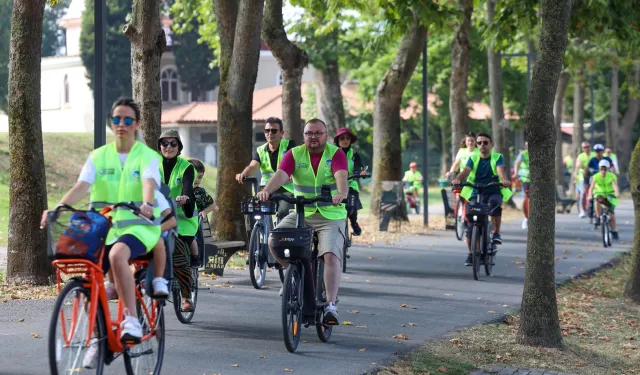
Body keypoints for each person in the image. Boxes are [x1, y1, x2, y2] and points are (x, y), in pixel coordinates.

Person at [40, 97, 165, 344]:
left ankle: (131, 320)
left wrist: (148, 205)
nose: (121, 123)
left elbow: (148, 182)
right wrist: (56, 209)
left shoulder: (147, 156)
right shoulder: (98, 156)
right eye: (116, 118)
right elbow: (82, 186)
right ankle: (98, 339)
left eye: (127, 119)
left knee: (117, 256)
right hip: (104, 228)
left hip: (139, 226)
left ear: (137, 124)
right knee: (87, 284)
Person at [257, 118, 348, 325]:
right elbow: (281, 174)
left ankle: (331, 306)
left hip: (330, 214)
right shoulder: (294, 154)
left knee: (330, 255)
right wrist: (266, 191)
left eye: (318, 133)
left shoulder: (336, 153)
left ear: (325, 135)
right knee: (274, 240)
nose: (313, 137)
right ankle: (294, 275)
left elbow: (341, 176)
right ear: (304, 136)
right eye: (309, 133)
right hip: (301, 213)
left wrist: (341, 193)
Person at [452, 133, 512, 266]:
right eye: (479, 143)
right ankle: (471, 254)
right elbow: (466, 170)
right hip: (476, 191)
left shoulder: (497, 157)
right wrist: (458, 179)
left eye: (485, 142)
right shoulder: (472, 157)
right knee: (471, 223)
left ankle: (496, 233)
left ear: (491, 144)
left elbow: (500, 170)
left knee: (495, 205)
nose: (482, 145)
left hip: (493, 190)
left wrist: (504, 180)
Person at [157, 129, 198, 312]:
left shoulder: (186, 167)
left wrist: (184, 197)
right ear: (160, 146)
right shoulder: (152, 165)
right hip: (157, 218)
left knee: (179, 250)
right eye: (165, 143)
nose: (169, 147)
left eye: (173, 143)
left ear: (179, 147)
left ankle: (186, 295)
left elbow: (187, 188)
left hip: (183, 220)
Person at [236, 117, 296, 222]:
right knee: (252, 210)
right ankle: (256, 233)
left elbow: (296, 161)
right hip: (265, 190)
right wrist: (243, 174)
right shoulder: (260, 150)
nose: (270, 133)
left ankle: (279, 235)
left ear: (281, 133)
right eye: (267, 131)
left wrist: (292, 170)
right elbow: (253, 166)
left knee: (284, 212)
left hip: (286, 190)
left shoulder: (289, 145)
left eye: (273, 131)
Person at [334, 127, 366, 236]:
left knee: (351, 206)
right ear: (338, 141)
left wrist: (360, 172)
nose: (345, 140)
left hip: (351, 184)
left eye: (348, 138)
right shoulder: (332, 153)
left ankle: (354, 224)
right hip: (334, 186)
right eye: (342, 138)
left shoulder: (354, 154)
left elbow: (359, 167)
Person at [187, 159, 217, 265]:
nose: (197, 180)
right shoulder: (179, 189)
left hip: (195, 226)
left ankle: (196, 260)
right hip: (182, 223)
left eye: (200, 177)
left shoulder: (200, 192)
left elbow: (214, 205)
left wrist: (204, 211)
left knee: (194, 241)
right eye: (194, 176)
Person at [587, 159, 620, 240]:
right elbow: (591, 187)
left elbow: (615, 186)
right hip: (600, 193)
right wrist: (589, 195)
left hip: (610, 195)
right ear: (599, 168)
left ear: (608, 169)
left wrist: (616, 193)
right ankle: (598, 217)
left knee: (611, 214)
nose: (603, 171)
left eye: (605, 169)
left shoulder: (612, 176)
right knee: (598, 200)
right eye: (601, 169)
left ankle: (614, 230)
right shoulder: (596, 176)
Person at [573, 142, 596, 218]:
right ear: (582, 149)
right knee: (583, 193)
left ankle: (596, 209)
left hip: (593, 175)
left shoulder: (594, 154)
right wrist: (575, 175)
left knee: (596, 191)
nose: (586, 148)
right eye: (585, 147)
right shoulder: (581, 156)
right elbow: (577, 167)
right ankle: (582, 210)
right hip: (583, 176)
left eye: (588, 146)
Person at [512, 142, 530, 230]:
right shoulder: (523, 154)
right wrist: (515, 172)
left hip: (536, 181)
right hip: (525, 179)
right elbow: (517, 163)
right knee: (525, 198)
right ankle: (526, 218)